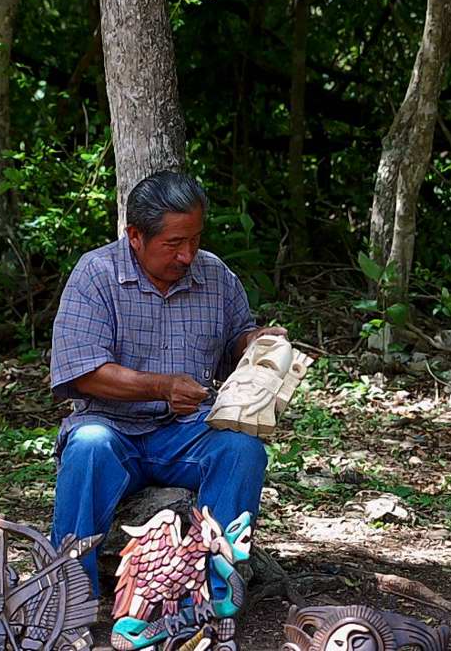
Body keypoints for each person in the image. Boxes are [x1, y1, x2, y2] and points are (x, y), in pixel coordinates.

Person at [49, 170, 284, 593]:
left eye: (194, 239)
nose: (187, 255)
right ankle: (68, 596)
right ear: (135, 236)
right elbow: (83, 372)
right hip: (111, 428)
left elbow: (235, 340)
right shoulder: (96, 275)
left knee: (241, 449)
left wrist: (255, 342)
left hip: (186, 433)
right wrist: (160, 387)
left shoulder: (214, 275)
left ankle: (216, 593)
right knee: (87, 448)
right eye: (174, 244)